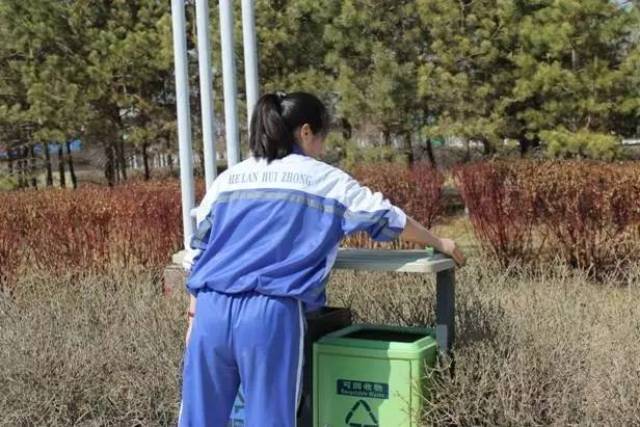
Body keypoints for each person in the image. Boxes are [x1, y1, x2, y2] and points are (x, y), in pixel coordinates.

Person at [177, 91, 465, 426]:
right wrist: (438, 240)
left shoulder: (229, 179)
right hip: (269, 313)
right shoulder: (325, 179)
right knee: (269, 418)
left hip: (210, 309)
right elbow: (386, 218)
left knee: (198, 418)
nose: (323, 149)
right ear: (306, 132)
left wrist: (195, 310)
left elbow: (198, 247)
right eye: (323, 138)